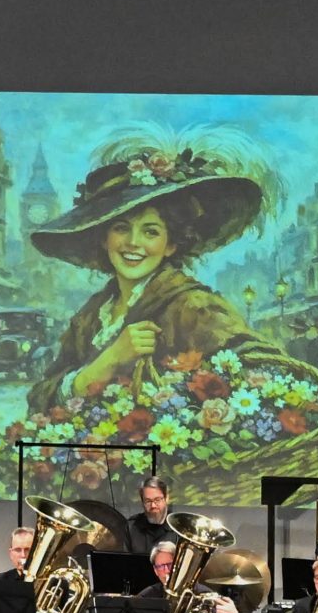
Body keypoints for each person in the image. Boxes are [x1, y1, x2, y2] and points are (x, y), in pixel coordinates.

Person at [23, 137, 268, 415]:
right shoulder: (91, 316)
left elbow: (263, 369)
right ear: (104, 238)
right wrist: (107, 362)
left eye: (150, 232)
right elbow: (41, 400)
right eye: (121, 228)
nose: (133, 243)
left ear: (170, 244)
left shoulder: (195, 307)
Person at [125, 475, 175, 556]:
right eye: (148, 501)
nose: (153, 506)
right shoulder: (131, 527)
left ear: (167, 498)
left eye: (157, 500)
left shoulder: (179, 529)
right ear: (142, 502)